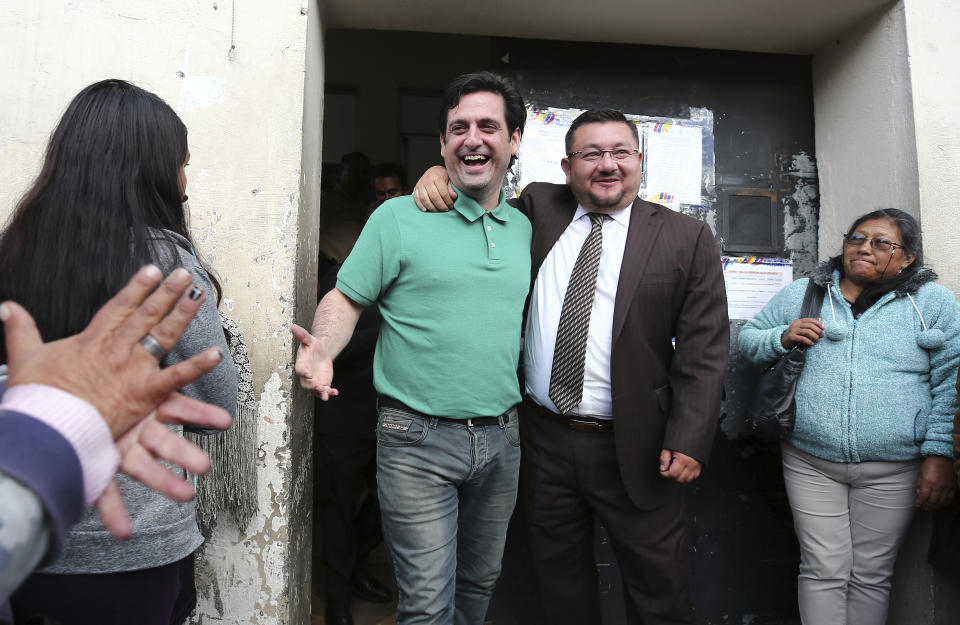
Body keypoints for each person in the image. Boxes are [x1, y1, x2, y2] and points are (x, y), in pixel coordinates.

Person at [414, 108, 729, 625]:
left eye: (620, 152)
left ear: (640, 162)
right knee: (559, 588)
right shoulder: (539, 207)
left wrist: (691, 436)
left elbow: (705, 349)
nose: (607, 165)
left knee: (659, 591)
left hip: (641, 445)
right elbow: (475, 201)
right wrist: (439, 176)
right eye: (590, 154)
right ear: (567, 166)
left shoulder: (684, 237)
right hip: (544, 441)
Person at [293, 71, 530, 625]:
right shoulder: (397, 217)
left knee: (478, 589)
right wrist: (323, 348)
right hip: (415, 440)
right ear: (442, 143)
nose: (473, 138)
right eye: (458, 129)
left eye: (488, 126)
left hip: (502, 441)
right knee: (426, 604)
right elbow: (345, 300)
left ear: (514, 140)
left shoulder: (524, 225)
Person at [2, 79, 238, 625]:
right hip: (132, 543)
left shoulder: (13, 248)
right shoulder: (164, 263)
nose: (185, 183)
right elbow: (218, 406)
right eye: (182, 164)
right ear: (154, 170)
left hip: (26, 526)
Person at [738, 208, 960, 625]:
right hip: (810, 462)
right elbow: (749, 340)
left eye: (881, 243)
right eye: (856, 238)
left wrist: (939, 454)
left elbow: (951, 381)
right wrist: (781, 337)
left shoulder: (932, 303)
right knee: (822, 569)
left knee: (871, 576)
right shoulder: (807, 293)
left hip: (894, 468)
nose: (864, 248)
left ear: (907, 256)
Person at [0, 265, 232, 608]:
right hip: (142, 551)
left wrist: (48, 411)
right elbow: (217, 397)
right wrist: (53, 425)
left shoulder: (14, 246)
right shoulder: (171, 258)